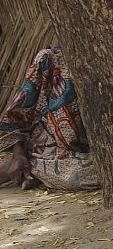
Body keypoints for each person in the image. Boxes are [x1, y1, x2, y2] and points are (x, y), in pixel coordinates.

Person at [0, 47, 97, 191]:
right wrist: (18, 153)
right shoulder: (50, 59)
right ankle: (25, 166)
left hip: (90, 156)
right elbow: (17, 116)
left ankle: (31, 171)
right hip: (46, 147)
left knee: (101, 174)